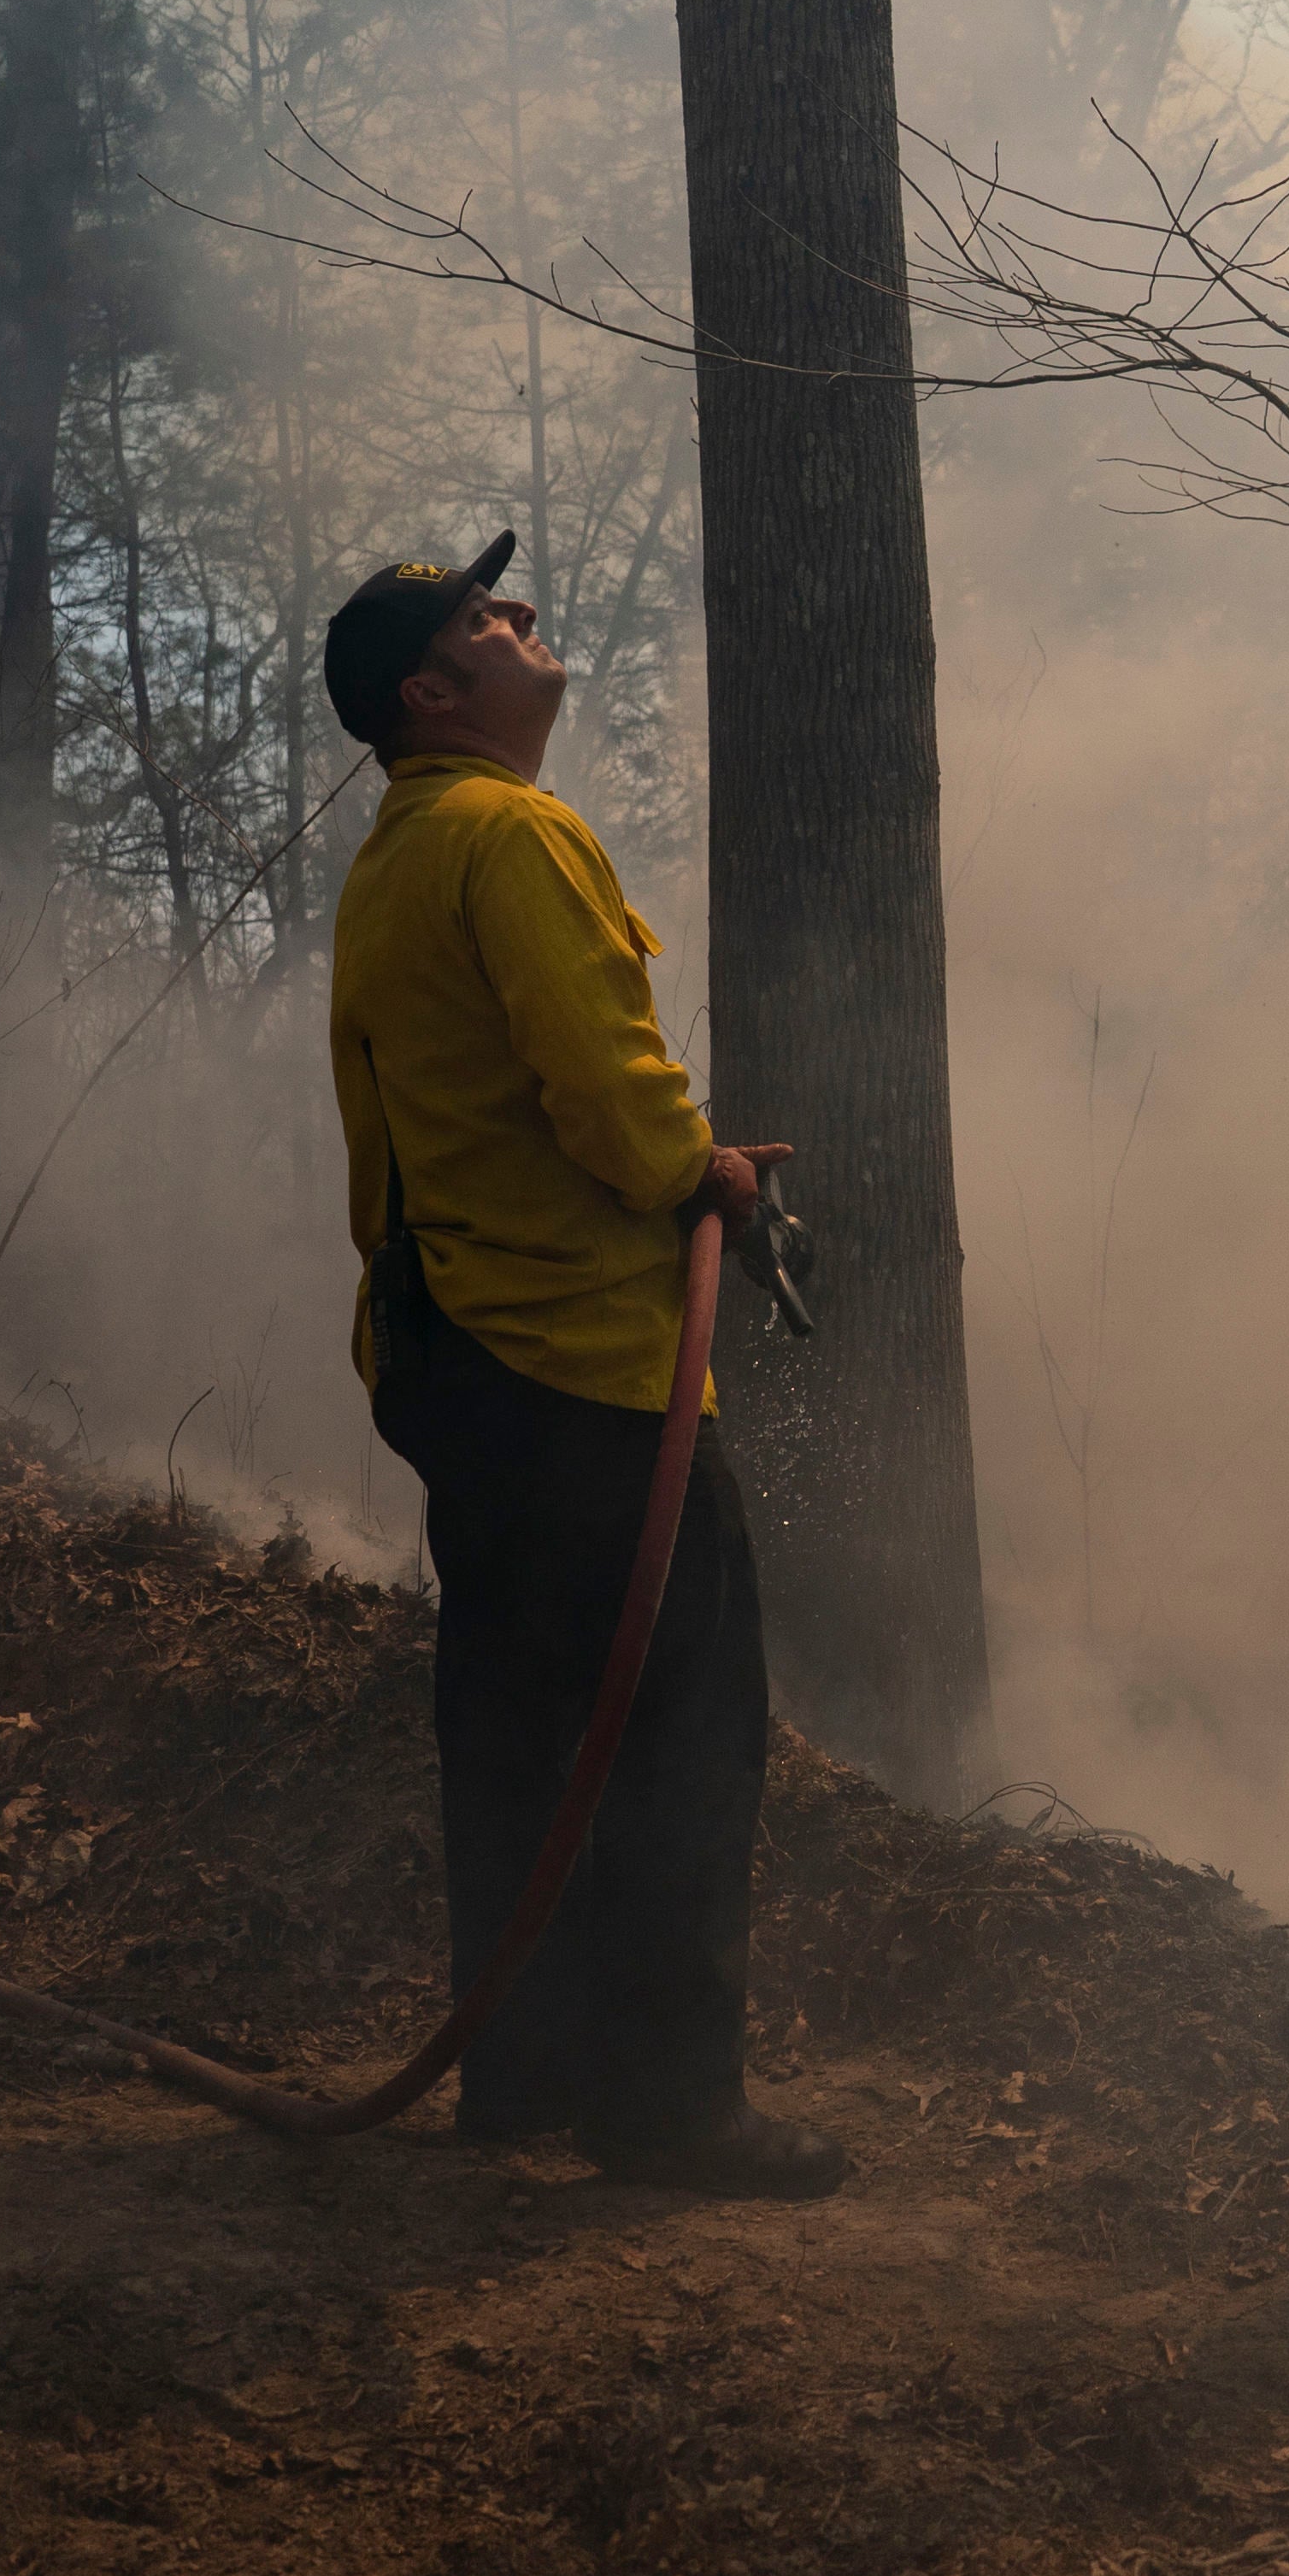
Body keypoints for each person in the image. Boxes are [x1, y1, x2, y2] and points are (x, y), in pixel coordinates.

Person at [321, 534, 850, 2197]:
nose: (524, 619)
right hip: (586, 1366)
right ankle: (670, 2105)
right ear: (432, 690)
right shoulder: (512, 830)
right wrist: (704, 1168)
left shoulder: (396, 854)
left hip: (458, 1358)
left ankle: (527, 2072)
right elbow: (615, 1102)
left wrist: (695, 1164)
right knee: (685, 1723)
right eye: (488, 620)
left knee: (515, 1725)